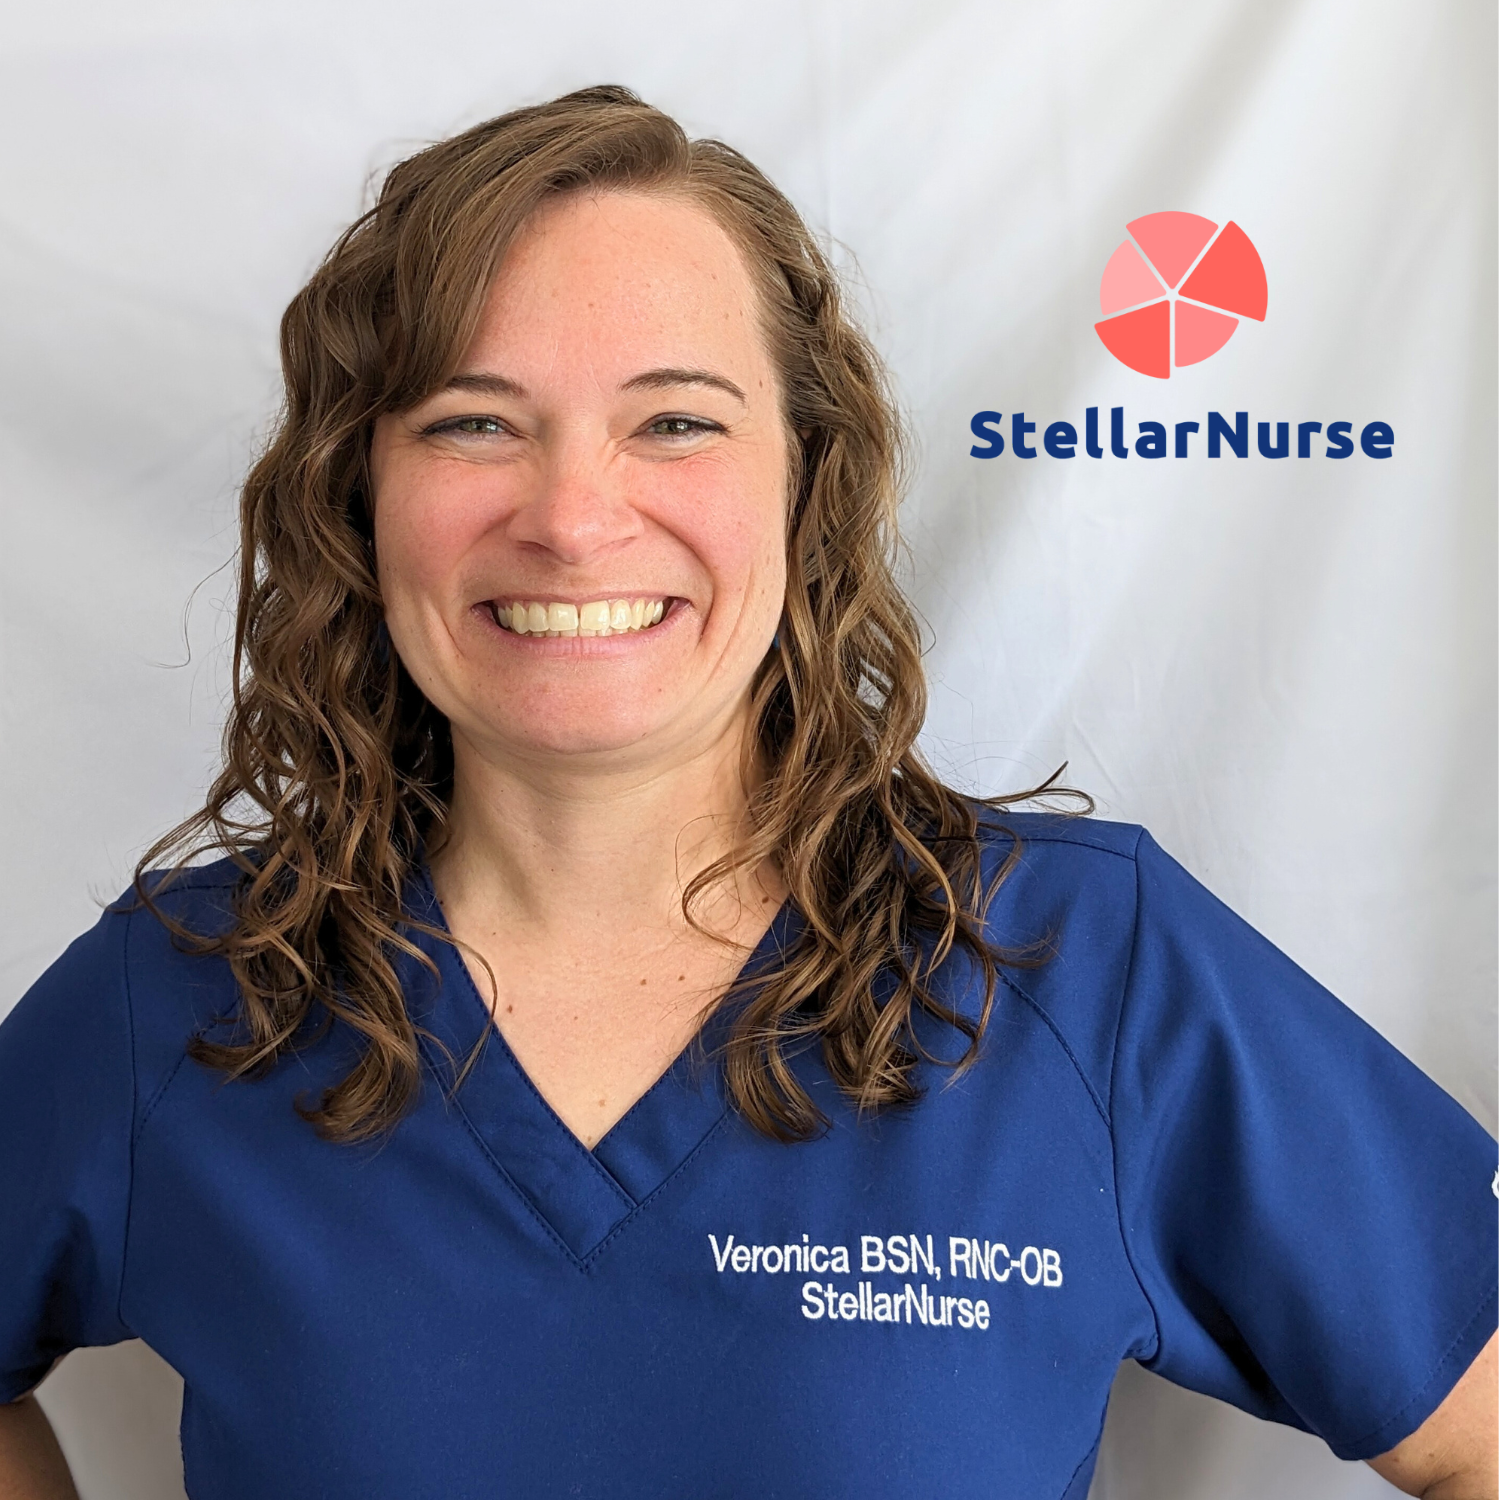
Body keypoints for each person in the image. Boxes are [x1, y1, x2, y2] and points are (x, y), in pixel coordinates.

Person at [0, 84, 1493, 1500]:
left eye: (676, 420)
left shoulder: (1089, 974)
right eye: (471, 420)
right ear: (359, 491)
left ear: (806, 483)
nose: (575, 519)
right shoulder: (186, 1001)